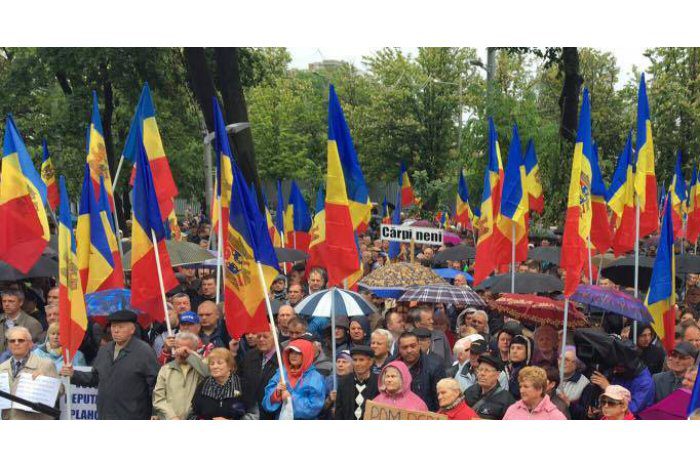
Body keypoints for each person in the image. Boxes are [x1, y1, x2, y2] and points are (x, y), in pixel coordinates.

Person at [60, 310, 160, 420]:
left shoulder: (144, 352)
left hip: (133, 416)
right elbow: (95, 378)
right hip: (105, 415)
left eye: (120, 327)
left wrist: (155, 412)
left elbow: (156, 384)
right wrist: (73, 374)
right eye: (113, 326)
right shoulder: (105, 350)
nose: (116, 330)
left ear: (132, 329)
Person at [0, 327, 60, 420]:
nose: (16, 343)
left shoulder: (45, 364)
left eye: (21, 340)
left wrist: (46, 382)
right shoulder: (2, 368)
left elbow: (60, 391)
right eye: (12, 341)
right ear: (8, 345)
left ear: (30, 344)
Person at [263, 338, 326, 419]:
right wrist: (276, 393)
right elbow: (266, 403)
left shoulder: (315, 378)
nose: (293, 355)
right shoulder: (281, 372)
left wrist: (290, 398)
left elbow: (314, 408)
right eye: (291, 352)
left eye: (298, 353)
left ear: (307, 354)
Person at [152, 332, 209, 420]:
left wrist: (189, 354)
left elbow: (208, 375)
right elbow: (158, 399)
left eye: (186, 348)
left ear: (195, 349)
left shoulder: (200, 367)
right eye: (177, 348)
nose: (181, 352)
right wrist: (172, 417)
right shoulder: (166, 369)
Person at [190, 348, 246, 419]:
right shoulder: (203, 385)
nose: (215, 367)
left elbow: (252, 415)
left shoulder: (242, 385)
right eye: (212, 364)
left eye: (219, 363)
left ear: (230, 366)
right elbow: (192, 415)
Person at [396, 331, 445, 411]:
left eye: (413, 346)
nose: (409, 350)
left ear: (419, 346)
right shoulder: (392, 365)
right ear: (399, 349)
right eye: (405, 347)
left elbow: (440, 400)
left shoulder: (434, 366)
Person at [503, 366, 567, 420]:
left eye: (526, 386)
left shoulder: (555, 416)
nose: (521, 390)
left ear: (539, 389)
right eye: (520, 386)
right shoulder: (512, 410)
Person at [464, 353, 516, 420]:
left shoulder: (506, 400)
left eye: (487, 370)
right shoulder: (469, 392)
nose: (482, 373)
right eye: (480, 369)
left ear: (497, 375)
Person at [334, 346, 379, 420]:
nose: (357, 364)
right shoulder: (344, 382)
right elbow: (339, 411)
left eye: (361, 360)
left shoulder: (378, 382)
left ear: (370, 362)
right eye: (355, 360)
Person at [506, 334, 533, 400]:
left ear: (527, 352)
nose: (514, 351)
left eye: (519, 348)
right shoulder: (504, 369)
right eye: (512, 348)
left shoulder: (531, 374)